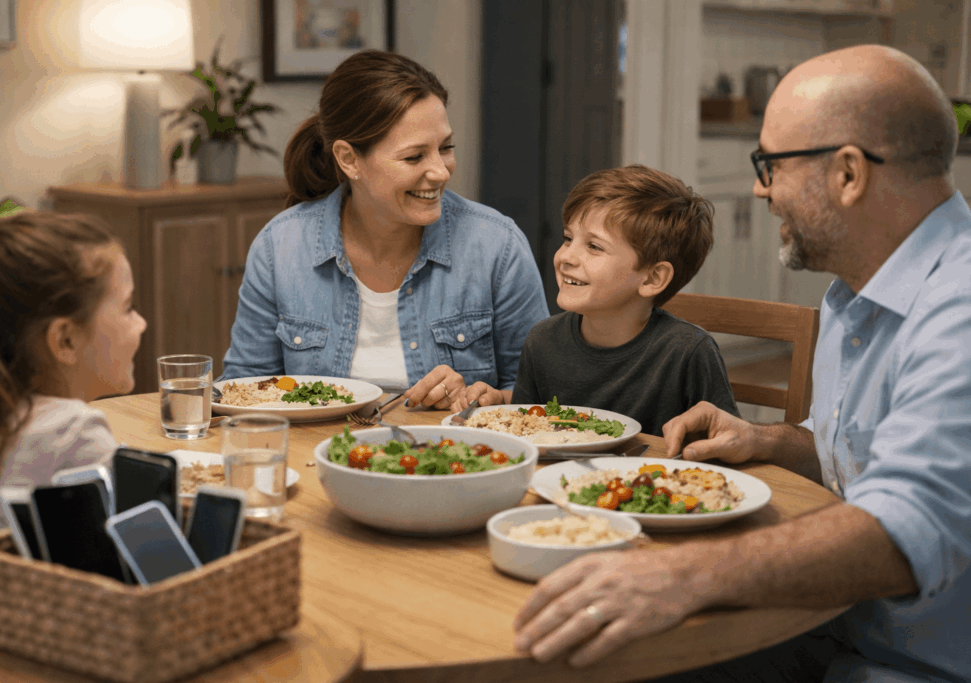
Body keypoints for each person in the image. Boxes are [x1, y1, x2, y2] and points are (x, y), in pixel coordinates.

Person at [510, 44, 971, 682]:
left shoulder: (960, 305)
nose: (759, 189)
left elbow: (911, 525)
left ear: (847, 174)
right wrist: (769, 439)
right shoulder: (853, 297)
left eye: (770, 164)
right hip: (819, 626)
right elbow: (862, 460)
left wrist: (682, 575)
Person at [221, 50, 549, 410]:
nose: (440, 171)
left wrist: (490, 398)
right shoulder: (280, 246)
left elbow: (543, 397)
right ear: (349, 159)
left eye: (446, 148)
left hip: (451, 460)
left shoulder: (497, 247)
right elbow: (243, 391)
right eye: (414, 157)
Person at [0, 209, 147, 606]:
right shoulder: (73, 432)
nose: (140, 323)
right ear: (65, 340)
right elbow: (144, 571)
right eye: (127, 308)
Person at [468, 165, 739, 436]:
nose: (566, 257)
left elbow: (725, 444)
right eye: (568, 238)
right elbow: (527, 434)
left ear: (652, 279)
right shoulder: (541, 342)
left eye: (594, 247)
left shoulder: (689, 352)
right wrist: (501, 401)